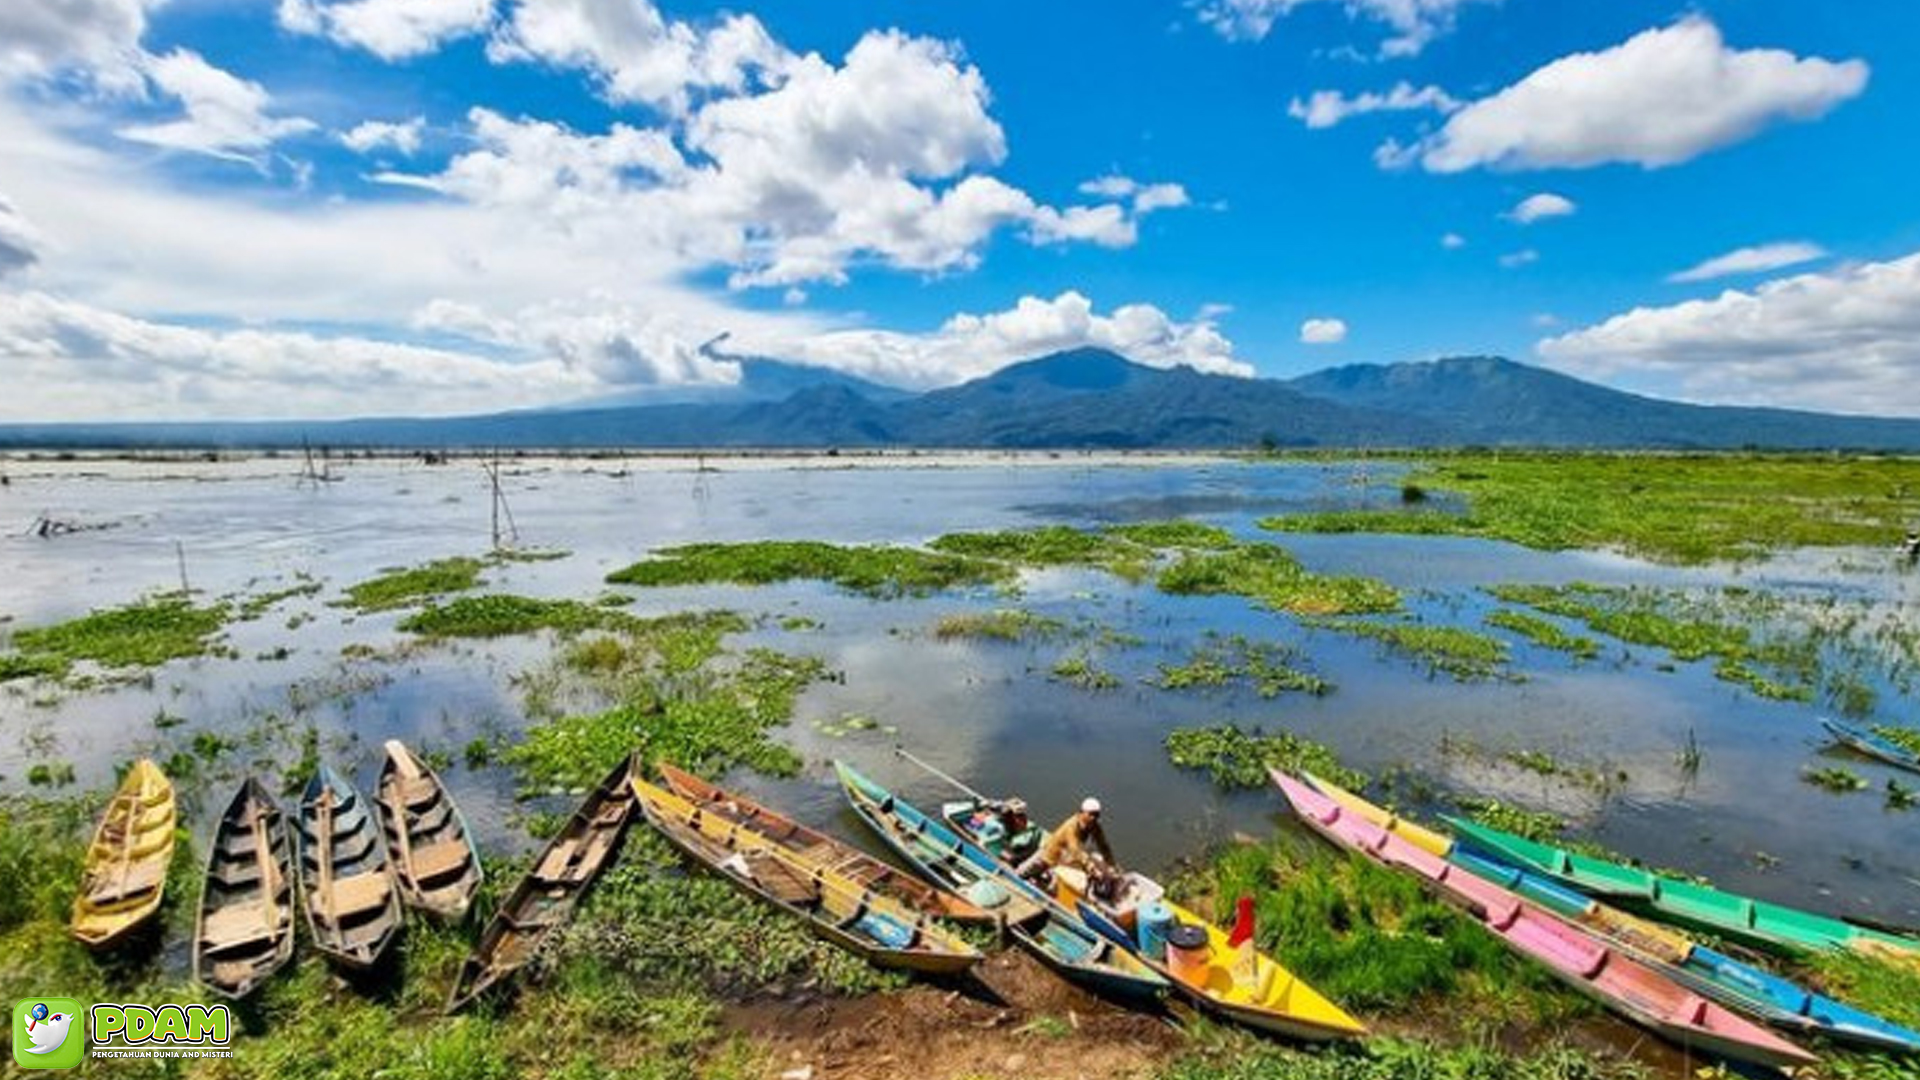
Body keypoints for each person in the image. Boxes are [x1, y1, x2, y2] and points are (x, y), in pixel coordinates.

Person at [1018, 797, 1118, 886]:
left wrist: (1111, 864)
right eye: (1091, 814)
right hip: (1050, 856)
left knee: (1092, 864)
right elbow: (1075, 850)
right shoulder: (1071, 826)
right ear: (1081, 813)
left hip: (1065, 858)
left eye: (1097, 815)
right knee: (1022, 874)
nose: (1094, 818)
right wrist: (1091, 867)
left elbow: (1103, 846)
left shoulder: (1095, 826)